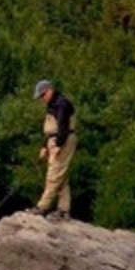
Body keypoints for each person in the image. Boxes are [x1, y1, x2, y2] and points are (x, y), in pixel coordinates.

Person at [28, 79, 77, 220]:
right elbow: (51, 130)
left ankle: (42, 207)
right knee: (61, 176)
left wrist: (58, 145)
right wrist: (45, 146)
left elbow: (62, 127)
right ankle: (63, 210)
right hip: (54, 140)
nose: (42, 99)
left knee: (54, 174)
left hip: (63, 140)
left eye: (43, 95)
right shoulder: (52, 104)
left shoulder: (62, 104)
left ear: (50, 90)